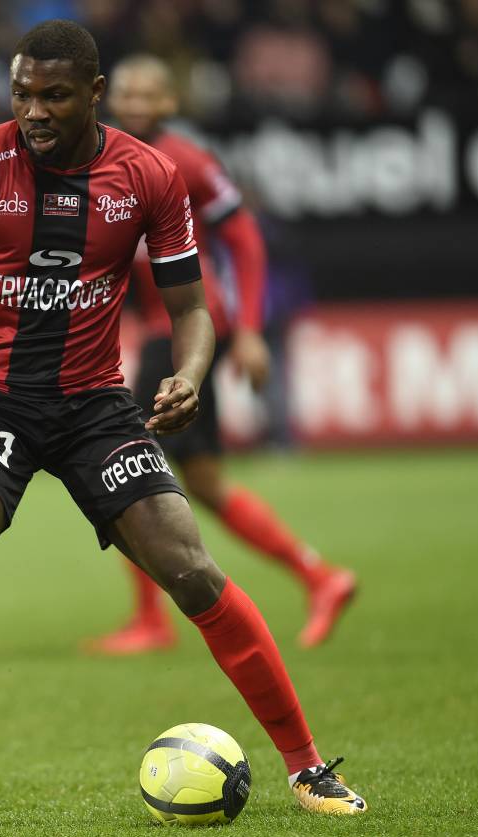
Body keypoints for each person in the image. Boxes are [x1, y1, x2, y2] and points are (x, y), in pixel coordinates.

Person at [0, 20, 367, 821]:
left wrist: (190, 374)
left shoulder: (149, 176)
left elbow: (190, 307)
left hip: (93, 407)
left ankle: (307, 766)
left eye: (53, 95)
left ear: (94, 94)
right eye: (22, 93)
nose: (34, 111)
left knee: (192, 569)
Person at [85, 53, 356, 655]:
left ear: (169, 103)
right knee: (202, 482)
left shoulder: (185, 160)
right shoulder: (107, 159)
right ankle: (320, 576)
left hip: (186, 331)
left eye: (148, 95)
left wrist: (252, 329)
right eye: (126, 93)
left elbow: (244, 237)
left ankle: (151, 620)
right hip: (163, 329)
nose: (134, 104)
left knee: (118, 462)